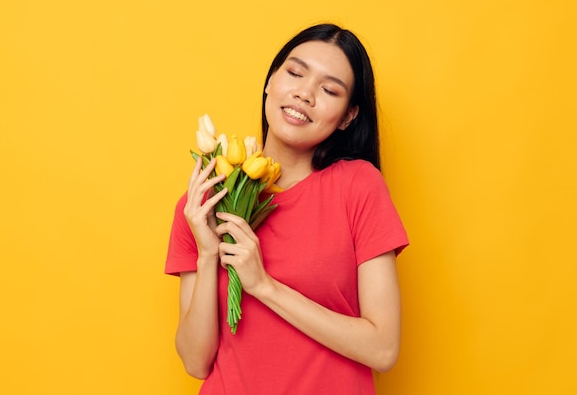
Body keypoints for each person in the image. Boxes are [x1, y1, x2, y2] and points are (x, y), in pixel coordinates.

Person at [165, 23, 409, 395]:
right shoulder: (205, 202)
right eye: (294, 73)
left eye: (329, 90)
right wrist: (208, 252)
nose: (304, 94)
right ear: (270, 82)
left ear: (348, 116)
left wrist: (263, 285)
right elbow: (196, 362)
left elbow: (383, 348)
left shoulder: (358, 186)